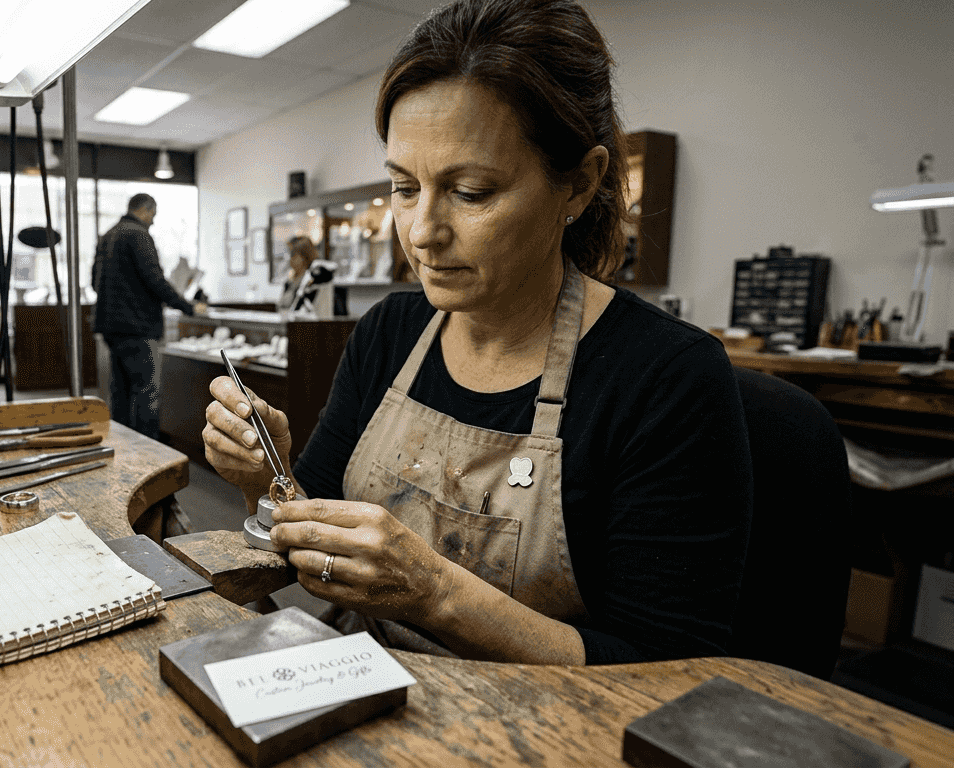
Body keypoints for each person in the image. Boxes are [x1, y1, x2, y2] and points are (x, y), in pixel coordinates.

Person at [202, 0, 753, 666]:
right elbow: (314, 527)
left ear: (578, 185)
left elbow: (666, 669)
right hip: (364, 684)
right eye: (406, 188)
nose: (423, 233)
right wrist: (267, 479)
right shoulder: (390, 332)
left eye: (470, 192)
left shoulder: (665, 378)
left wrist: (434, 593)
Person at [94, 193, 207, 438]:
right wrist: (187, 307)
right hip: (138, 328)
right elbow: (155, 280)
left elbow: (95, 281)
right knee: (147, 394)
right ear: (145, 210)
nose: (153, 221)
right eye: (153, 215)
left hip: (112, 328)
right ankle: (150, 454)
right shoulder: (138, 235)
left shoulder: (107, 236)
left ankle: (122, 447)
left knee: (120, 394)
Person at [275, 236, 319, 312]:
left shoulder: (312, 283)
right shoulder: (289, 281)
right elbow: (281, 305)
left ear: (305, 256)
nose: (289, 258)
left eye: (293, 255)